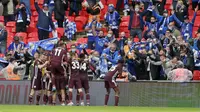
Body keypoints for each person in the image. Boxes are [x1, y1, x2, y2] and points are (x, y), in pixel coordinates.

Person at [50, 41, 68, 105]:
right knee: (65, 74)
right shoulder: (64, 50)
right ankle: (66, 85)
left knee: (52, 74)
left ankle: (53, 85)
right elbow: (66, 60)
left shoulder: (54, 49)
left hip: (52, 64)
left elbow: (51, 58)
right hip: (59, 64)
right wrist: (65, 62)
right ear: (63, 45)